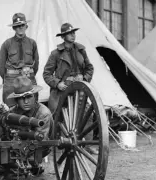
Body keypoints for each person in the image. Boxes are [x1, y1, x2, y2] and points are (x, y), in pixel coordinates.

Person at [43, 23, 97, 154]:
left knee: (87, 114)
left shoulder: (81, 50)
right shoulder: (56, 54)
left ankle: (88, 144)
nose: (73, 35)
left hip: (79, 89)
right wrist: (57, 84)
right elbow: (47, 74)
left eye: (74, 32)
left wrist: (84, 78)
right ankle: (59, 144)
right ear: (63, 36)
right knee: (58, 116)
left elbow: (90, 68)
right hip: (63, 90)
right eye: (69, 33)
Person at [5, 76, 53, 175]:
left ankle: (31, 164)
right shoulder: (12, 112)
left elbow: (41, 140)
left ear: (35, 96)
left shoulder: (43, 113)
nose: (26, 102)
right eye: (22, 98)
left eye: (29, 97)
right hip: (15, 147)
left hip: (38, 148)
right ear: (16, 100)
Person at [0, 13, 39, 107]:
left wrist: (29, 75)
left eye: (22, 25)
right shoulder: (7, 44)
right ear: (14, 28)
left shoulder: (32, 43)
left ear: (26, 26)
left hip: (28, 77)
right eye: (17, 26)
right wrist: (8, 79)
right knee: (10, 108)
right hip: (11, 80)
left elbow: (36, 64)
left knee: (32, 107)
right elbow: (1, 66)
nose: (20, 27)